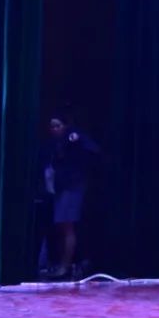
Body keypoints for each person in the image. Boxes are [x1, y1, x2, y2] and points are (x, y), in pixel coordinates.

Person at [40, 113, 100, 279]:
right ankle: (65, 263)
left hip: (72, 187)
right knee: (61, 226)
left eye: (58, 126)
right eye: (52, 126)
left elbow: (94, 150)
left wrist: (76, 139)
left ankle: (65, 266)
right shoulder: (54, 144)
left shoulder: (74, 138)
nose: (54, 129)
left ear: (65, 126)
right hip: (60, 188)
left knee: (68, 226)